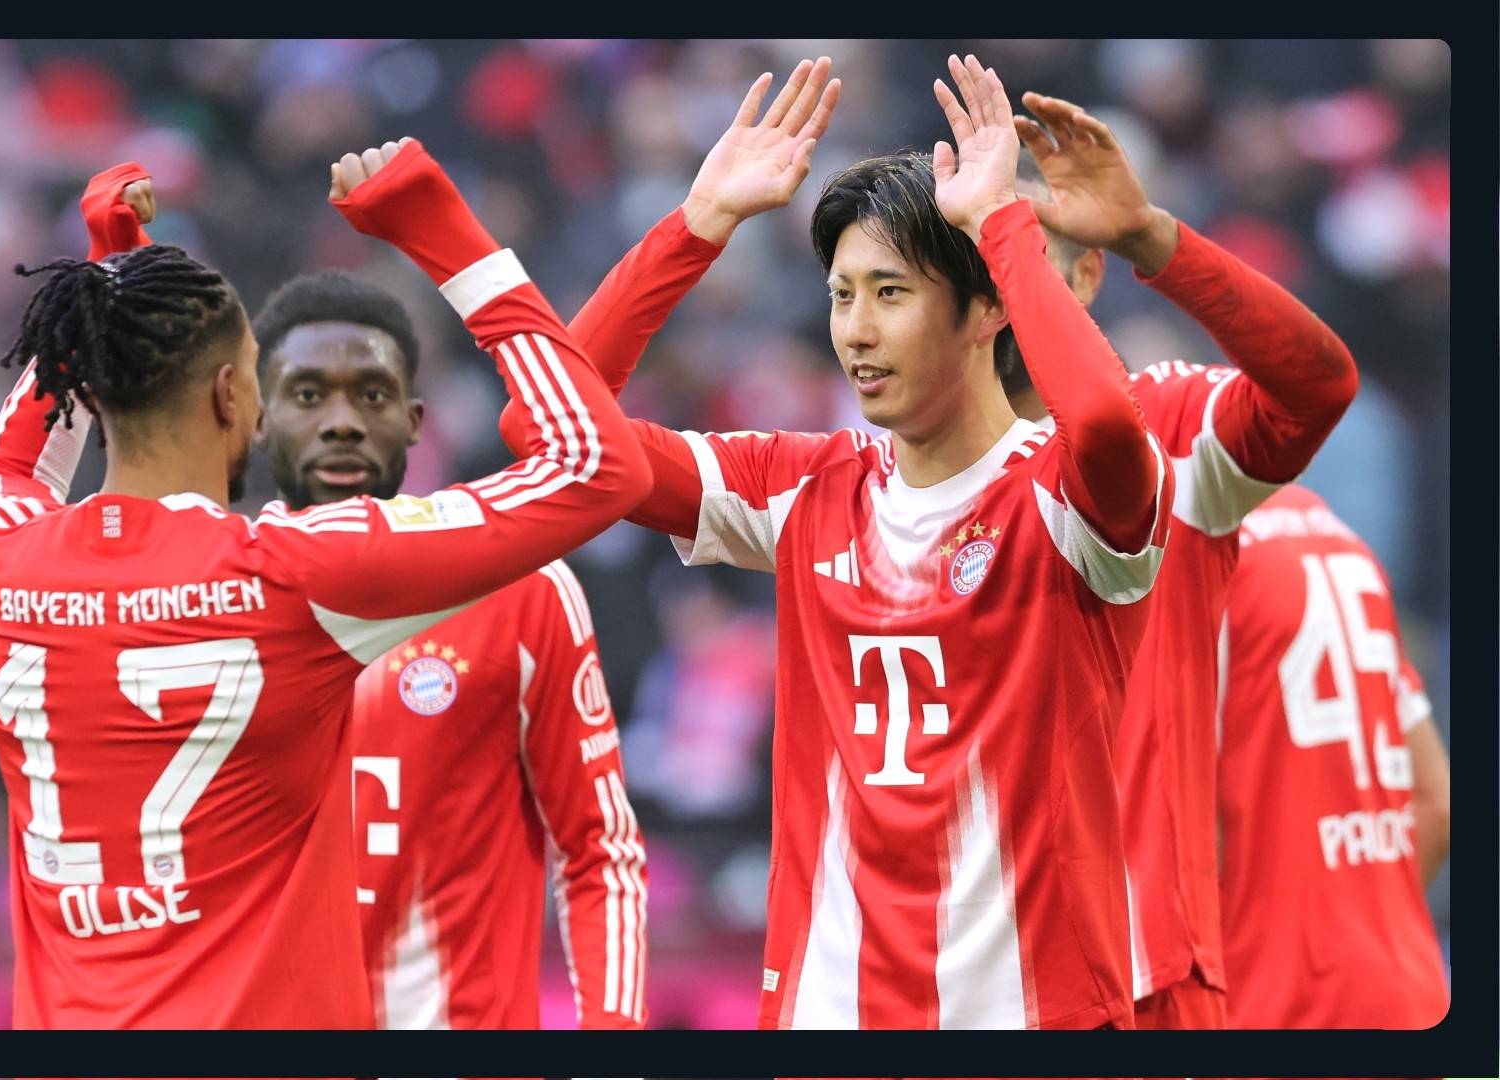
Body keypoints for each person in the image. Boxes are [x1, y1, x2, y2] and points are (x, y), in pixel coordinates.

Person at [507, 55, 1172, 1029]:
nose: (855, 331)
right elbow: (548, 429)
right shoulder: (803, 488)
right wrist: (699, 224)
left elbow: (1109, 425)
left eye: (890, 293)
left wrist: (1003, 224)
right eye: (840, 294)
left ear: (989, 308)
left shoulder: (1065, 497)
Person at [0, 138, 651, 1027]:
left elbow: (17, 464)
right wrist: (444, 233)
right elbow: (597, 466)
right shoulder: (289, 575)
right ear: (233, 396)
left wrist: (107, 278)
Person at [990, 91, 1360, 1027]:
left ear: (1086, 274)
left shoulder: (1171, 426)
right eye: (979, 261)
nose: (1003, 291)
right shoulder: (883, 471)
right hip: (953, 977)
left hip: (1136, 975)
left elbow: (1318, 387)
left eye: (1024, 256)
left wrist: (1152, 237)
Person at [1215, 483, 1449, 1028]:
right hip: (1406, 994)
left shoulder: (1188, 555)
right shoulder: (1343, 538)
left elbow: (1184, 830)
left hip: (1270, 1007)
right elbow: (1436, 803)